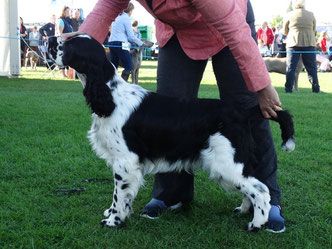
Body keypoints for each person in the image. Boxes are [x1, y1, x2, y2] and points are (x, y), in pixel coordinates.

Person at [62, 0, 286, 233]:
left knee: (247, 105)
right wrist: (81, 43)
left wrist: (262, 86)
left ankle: (269, 199)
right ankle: (171, 193)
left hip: (230, 24)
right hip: (177, 32)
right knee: (165, 114)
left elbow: (234, 29)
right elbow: (110, 3)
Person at [283, 0, 321, 93]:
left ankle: (288, 89)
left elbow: (285, 30)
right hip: (309, 43)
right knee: (312, 67)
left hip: (293, 43)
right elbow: (314, 29)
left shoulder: (290, 14)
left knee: (291, 67)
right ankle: (316, 89)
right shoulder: (311, 14)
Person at [108, 3, 143, 81]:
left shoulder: (117, 17)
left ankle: (111, 83)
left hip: (111, 43)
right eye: (132, 10)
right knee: (129, 65)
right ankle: (122, 83)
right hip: (120, 44)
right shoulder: (126, 18)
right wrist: (141, 43)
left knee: (114, 66)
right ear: (130, 11)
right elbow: (131, 37)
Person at [57, 6, 73, 78]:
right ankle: (63, 75)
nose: (68, 12)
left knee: (68, 59)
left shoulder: (69, 21)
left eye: (69, 11)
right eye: (66, 11)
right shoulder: (61, 20)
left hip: (69, 43)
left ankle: (67, 74)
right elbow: (60, 33)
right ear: (63, 12)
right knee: (62, 59)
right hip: (63, 43)